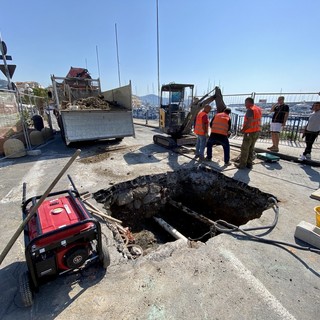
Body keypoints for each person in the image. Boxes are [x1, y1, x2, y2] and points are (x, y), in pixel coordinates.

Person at [235, 97, 262, 169]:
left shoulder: (250, 110)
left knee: (245, 149)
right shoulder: (258, 109)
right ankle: (249, 164)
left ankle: (242, 165)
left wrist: (243, 130)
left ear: (248, 102)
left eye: (245, 103)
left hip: (249, 133)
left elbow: (249, 123)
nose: (245, 105)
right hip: (256, 131)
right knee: (251, 148)